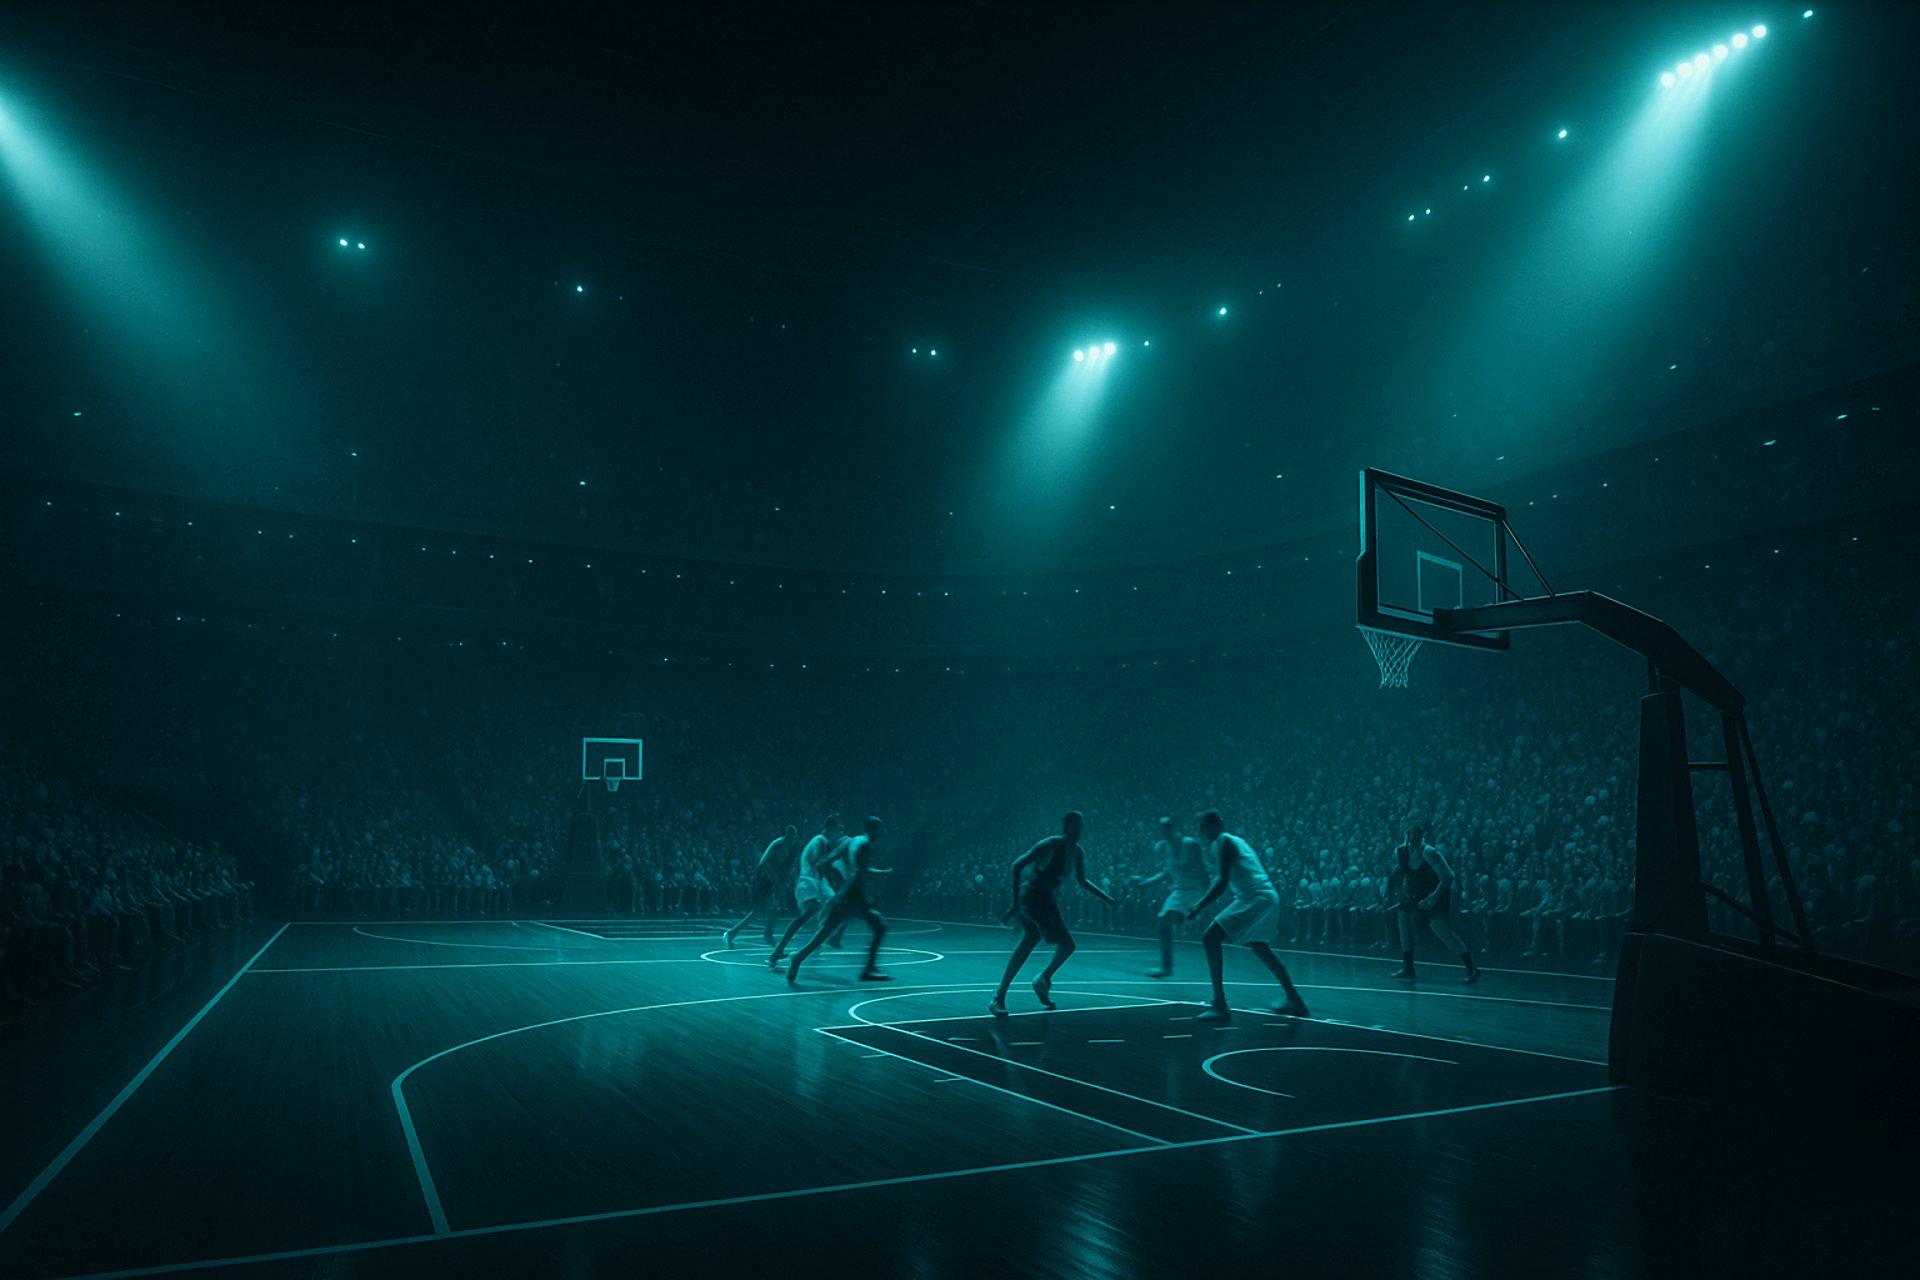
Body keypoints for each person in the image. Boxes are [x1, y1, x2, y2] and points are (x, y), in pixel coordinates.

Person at [1182, 810, 1309, 1022]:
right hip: (1264, 896)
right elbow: (1221, 880)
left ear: (1208, 828)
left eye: (1203, 830)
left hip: (1255, 897)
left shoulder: (1225, 843)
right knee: (1260, 947)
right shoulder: (1231, 842)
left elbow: (1221, 883)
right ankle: (1295, 1000)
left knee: (1210, 938)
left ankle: (1220, 1004)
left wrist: (1199, 906)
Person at [988, 811, 1115, 1016]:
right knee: (1040, 940)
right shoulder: (1049, 845)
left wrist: (1106, 898)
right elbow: (1017, 865)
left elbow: (1082, 881)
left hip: (1047, 900)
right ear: (1069, 827)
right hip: (1032, 898)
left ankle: (1037, 981)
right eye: (1077, 827)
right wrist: (1013, 904)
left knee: (1060, 945)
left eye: (1080, 827)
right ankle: (1004, 994)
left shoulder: (1077, 851)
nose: (1079, 831)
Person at [787, 816, 892, 984]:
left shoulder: (851, 841)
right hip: (854, 894)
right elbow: (861, 869)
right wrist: (881, 873)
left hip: (845, 894)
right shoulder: (866, 844)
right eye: (880, 830)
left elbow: (827, 861)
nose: (883, 834)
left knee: (824, 932)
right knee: (880, 926)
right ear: (873, 830)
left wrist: (837, 881)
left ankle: (798, 958)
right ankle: (869, 969)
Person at [1388, 825, 1480, 983]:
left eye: (1418, 835)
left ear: (1423, 836)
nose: (1415, 838)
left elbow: (1448, 876)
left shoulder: (1430, 853)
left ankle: (1471, 967)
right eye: (1412, 834)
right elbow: (1399, 871)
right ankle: (1408, 967)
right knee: (1402, 915)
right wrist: (1389, 892)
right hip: (1415, 893)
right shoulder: (1401, 852)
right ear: (1408, 836)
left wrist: (1433, 897)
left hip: (1437, 893)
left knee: (1440, 929)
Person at [1131, 816, 1210, 978]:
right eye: (1162, 829)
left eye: (1167, 828)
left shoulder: (1190, 844)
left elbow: (1203, 872)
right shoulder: (1165, 847)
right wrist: (1146, 882)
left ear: (1175, 828)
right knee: (1162, 922)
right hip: (1179, 891)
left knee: (1166, 919)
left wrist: (1207, 898)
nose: (1164, 832)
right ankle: (1166, 966)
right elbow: (1167, 872)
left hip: (1195, 889)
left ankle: (1182, 921)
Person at [769, 816, 843, 968]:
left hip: (812, 883)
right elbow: (819, 862)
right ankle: (805, 950)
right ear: (830, 828)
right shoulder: (821, 841)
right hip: (809, 883)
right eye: (837, 830)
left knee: (808, 917)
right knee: (826, 913)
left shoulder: (820, 841)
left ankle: (781, 951)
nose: (839, 834)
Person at [724, 825, 799, 948]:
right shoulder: (777, 844)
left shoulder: (792, 848)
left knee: (773, 909)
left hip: (775, 881)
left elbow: (787, 867)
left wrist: (784, 882)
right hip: (764, 880)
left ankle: (766, 934)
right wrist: (774, 879)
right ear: (787, 835)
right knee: (758, 910)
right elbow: (763, 862)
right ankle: (733, 932)